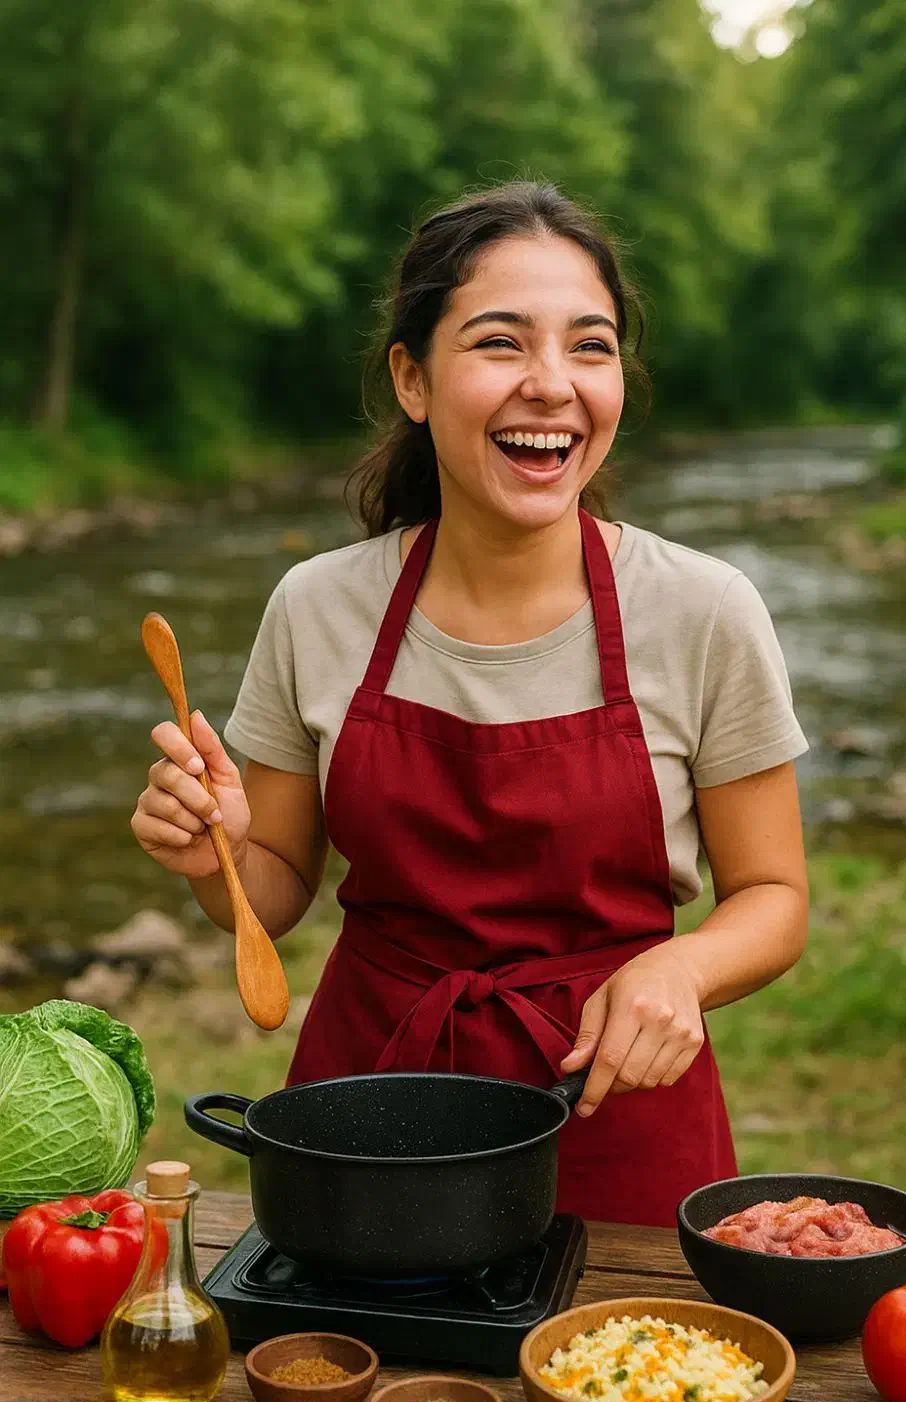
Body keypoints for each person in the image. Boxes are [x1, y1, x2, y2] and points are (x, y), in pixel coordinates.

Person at [131, 180, 809, 1227]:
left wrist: (685, 967)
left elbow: (773, 896)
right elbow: (266, 896)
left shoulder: (704, 610)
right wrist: (214, 852)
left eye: (590, 346)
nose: (551, 385)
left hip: (612, 1105)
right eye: (501, 344)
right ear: (413, 377)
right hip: (369, 1112)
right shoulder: (318, 606)